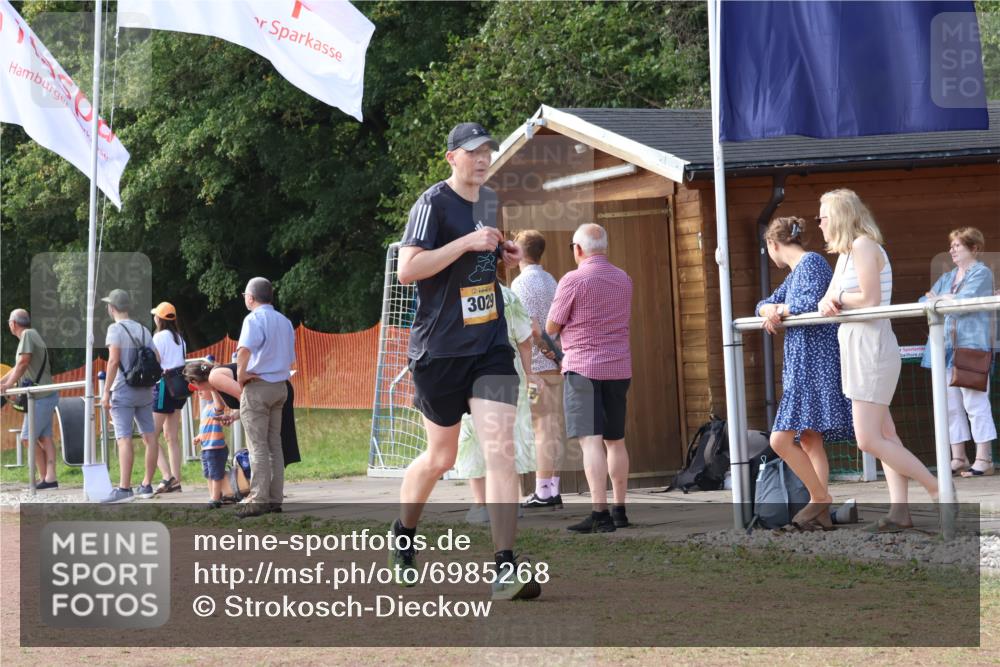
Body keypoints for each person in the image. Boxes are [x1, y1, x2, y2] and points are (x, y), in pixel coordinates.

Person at [394, 122, 539, 601]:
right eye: (473, 151)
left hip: (489, 347)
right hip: (440, 351)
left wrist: (503, 253)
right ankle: (403, 533)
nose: (482, 159)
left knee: (500, 451)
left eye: (487, 151)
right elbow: (408, 269)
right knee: (442, 457)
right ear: (451, 157)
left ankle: (504, 566)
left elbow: (481, 263)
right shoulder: (431, 204)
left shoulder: (490, 201)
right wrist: (466, 244)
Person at [816, 189, 941, 532]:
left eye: (822, 217)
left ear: (838, 217)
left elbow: (869, 299)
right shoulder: (846, 254)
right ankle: (900, 512)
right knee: (886, 433)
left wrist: (838, 297)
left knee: (868, 439)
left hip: (871, 347)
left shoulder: (863, 246)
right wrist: (830, 300)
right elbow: (829, 297)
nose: (820, 224)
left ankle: (938, 489)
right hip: (856, 346)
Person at [755, 217, 854, 530]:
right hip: (802, 362)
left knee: (780, 440)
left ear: (773, 244)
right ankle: (821, 511)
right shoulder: (796, 272)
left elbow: (811, 302)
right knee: (810, 438)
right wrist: (768, 309)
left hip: (814, 363)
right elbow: (766, 303)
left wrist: (779, 310)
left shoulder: (811, 263)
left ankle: (819, 498)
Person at [547, 223, 633, 533]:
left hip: (583, 369)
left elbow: (552, 327)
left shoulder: (572, 280)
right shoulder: (624, 279)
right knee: (616, 440)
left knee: (591, 441)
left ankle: (599, 513)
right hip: (619, 367)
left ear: (579, 249)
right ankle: (620, 510)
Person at [454, 284, 536, 523]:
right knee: (509, 436)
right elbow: (525, 338)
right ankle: (511, 501)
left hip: (469, 371)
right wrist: (530, 373)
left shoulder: (457, 294)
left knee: (472, 437)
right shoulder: (507, 295)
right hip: (507, 369)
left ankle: (480, 504)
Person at [920, 227, 996, 477]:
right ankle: (959, 457)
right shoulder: (948, 276)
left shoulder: (982, 273)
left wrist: (939, 298)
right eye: (951, 246)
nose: (951, 250)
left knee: (974, 402)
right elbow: (923, 301)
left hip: (971, 346)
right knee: (950, 405)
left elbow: (964, 302)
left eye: (957, 245)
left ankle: (984, 459)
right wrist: (943, 298)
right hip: (945, 348)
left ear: (974, 248)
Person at [511, 229, 566, 509]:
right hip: (555, 366)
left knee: (541, 428)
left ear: (521, 252)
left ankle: (543, 492)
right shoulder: (550, 280)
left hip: (535, 369)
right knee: (552, 428)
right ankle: (552, 490)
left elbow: (529, 328)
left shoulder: (520, 284)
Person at [234, 277, 296, 518]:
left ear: (250, 297)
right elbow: (290, 356)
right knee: (274, 445)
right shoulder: (284, 321)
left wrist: (241, 375)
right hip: (280, 386)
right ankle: (274, 498)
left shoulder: (253, 319)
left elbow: (244, 350)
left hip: (258, 387)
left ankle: (258, 498)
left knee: (257, 445)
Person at [99, 289, 162, 503]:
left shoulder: (115, 329)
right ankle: (146, 485)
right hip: (145, 390)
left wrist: (106, 391)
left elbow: (113, 361)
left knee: (124, 438)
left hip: (123, 390)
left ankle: (124, 488)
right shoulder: (143, 329)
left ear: (112, 308)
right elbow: (157, 358)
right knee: (150, 437)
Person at [183, 359, 301, 470]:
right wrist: (232, 416)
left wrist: (250, 423)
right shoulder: (215, 381)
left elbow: (245, 397)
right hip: (273, 390)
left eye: (193, 386)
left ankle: (264, 483)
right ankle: (272, 483)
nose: (197, 390)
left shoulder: (215, 377)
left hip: (271, 391)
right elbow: (230, 404)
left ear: (194, 382)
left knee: (264, 447)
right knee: (273, 446)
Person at [0, 309, 59, 489]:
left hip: (39, 397)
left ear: (13, 324)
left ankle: (46, 477)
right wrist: (3, 382)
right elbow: (18, 366)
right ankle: (49, 478)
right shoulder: (32, 335)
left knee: (27, 438)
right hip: (44, 394)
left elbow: (23, 362)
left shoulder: (27, 335)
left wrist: (7, 385)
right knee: (44, 437)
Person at [150, 302, 187, 495]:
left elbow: (155, 362)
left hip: (164, 387)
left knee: (150, 435)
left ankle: (167, 477)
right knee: (171, 437)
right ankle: (176, 480)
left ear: (160, 319)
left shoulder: (158, 337)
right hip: (179, 387)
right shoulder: (180, 339)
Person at [194, 386, 230, 509]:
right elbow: (206, 427)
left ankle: (215, 499)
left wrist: (214, 389)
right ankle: (213, 497)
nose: (199, 391)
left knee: (215, 474)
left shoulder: (215, 405)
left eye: (202, 388)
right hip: (206, 448)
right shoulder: (206, 408)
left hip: (215, 448)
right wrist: (199, 436)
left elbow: (220, 406)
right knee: (208, 474)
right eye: (197, 389)